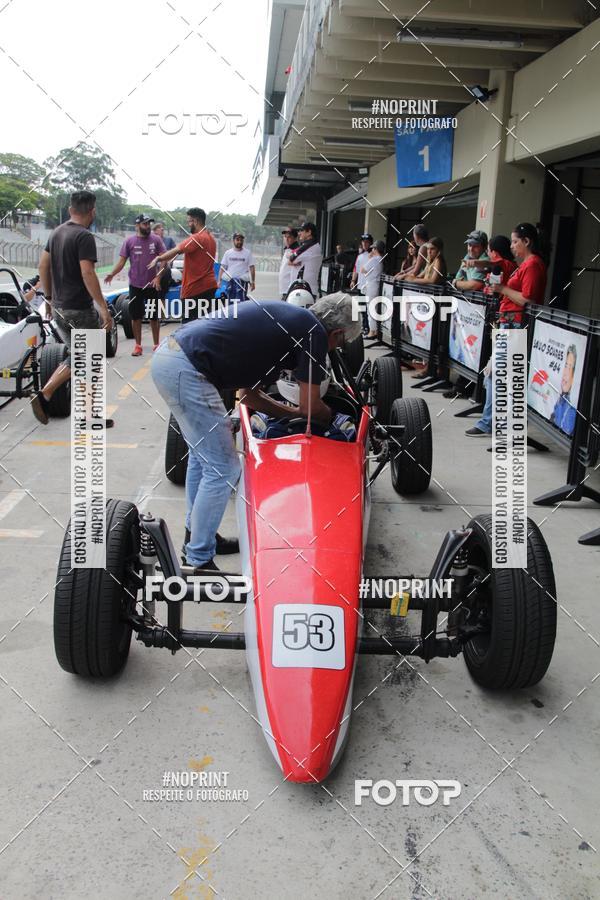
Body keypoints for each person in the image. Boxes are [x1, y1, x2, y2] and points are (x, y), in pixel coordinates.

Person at [151, 293, 361, 571]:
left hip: (171, 357)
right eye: (341, 342)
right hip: (187, 368)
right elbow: (311, 406)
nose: (336, 348)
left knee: (203, 461)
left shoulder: (291, 325)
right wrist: (331, 417)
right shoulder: (313, 332)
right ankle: (198, 560)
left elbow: (248, 397)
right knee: (223, 468)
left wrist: (292, 414)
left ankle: (198, 536)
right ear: (336, 332)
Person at [33, 190, 113, 426]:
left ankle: (86, 413)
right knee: (87, 358)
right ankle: (47, 395)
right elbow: (87, 272)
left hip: (59, 308)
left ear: (70, 210)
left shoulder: (57, 232)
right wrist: (103, 307)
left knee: (80, 358)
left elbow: (42, 265)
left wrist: (48, 298)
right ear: (93, 211)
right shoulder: (83, 236)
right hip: (79, 309)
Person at [466, 223, 546, 437]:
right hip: (509, 322)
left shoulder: (532, 265)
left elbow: (527, 299)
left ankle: (490, 422)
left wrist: (502, 289)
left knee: (497, 374)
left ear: (526, 241)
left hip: (516, 324)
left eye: (515, 241)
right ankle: (494, 421)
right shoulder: (525, 264)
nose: (512, 246)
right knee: (495, 374)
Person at [105, 214, 165, 356]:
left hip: (151, 285)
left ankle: (156, 344)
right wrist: (112, 274)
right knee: (135, 316)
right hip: (135, 285)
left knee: (153, 316)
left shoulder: (156, 240)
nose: (148, 226)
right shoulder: (129, 242)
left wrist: (158, 276)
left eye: (149, 223)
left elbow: (164, 259)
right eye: (145, 224)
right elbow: (121, 262)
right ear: (137, 225)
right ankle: (138, 346)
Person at [150, 207, 218, 321]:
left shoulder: (197, 238)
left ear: (195, 221)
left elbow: (176, 250)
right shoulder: (211, 238)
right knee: (203, 325)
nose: (188, 224)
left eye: (189, 221)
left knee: (189, 328)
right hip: (209, 287)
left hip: (195, 289)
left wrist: (158, 258)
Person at [288, 222, 323, 297]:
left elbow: (290, 259)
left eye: (301, 231)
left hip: (303, 290)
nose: (299, 233)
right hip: (307, 289)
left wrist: (292, 260)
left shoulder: (309, 245)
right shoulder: (313, 245)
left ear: (309, 232)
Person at [219, 232, 256, 302]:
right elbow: (222, 267)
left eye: (241, 240)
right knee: (230, 301)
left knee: (241, 301)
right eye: (237, 239)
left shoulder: (248, 253)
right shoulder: (228, 253)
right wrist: (219, 281)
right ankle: (232, 313)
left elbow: (252, 268)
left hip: (242, 282)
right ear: (233, 241)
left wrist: (253, 282)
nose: (240, 242)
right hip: (230, 281)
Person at [550, 345, 578, 436]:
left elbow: (568, 430)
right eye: (566, 366)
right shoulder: (561, 400)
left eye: (570, 368)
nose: (566, 373)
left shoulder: (573, 408)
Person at [362, 240, 385, 338]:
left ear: (376, 249)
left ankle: (372, 331)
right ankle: (374, 330)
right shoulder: (381, 259)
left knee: (371, 309)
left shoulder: (374, 259)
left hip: (371, 285)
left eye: (373, 248)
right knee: (374, 308)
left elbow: (363, 269)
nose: (372, 250)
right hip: (376, 285)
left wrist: (369, 258)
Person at [278, 226, 299, 299]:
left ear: (295, 238)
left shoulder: (297, 250)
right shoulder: (287, 249)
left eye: (289, 237)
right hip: (285, 289)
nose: (286, 239)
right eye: (285, 237)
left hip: (290, 289)